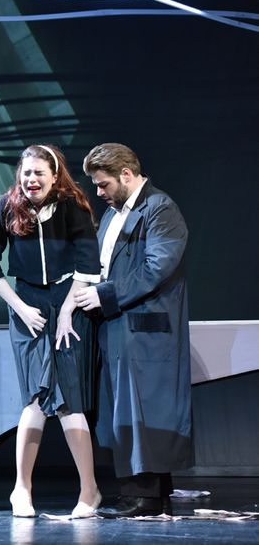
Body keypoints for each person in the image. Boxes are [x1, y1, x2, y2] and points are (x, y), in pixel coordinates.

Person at [0, 144, 102, 518]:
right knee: (35, 397)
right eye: (26, 173)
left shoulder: (72, 206)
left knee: (68, 400)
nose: (31, 179)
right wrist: (20, 307)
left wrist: (67, 310)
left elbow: (89, 263)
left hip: (69, 299)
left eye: (38, 173)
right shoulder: (8, 207)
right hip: (27, 303)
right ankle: (21, 489)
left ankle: (90, 491)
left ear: (54, 175)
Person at [74, 143, 193, 518]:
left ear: (126, 174)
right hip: (119, 325)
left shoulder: (159, 208)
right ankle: (147, 495)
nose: (99, 192)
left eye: (103, 184)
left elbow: (157, 267)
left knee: (145, 412)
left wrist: (105, 294)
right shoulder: (113, 215)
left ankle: (144, 497)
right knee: (124, 412)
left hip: (145, 327)